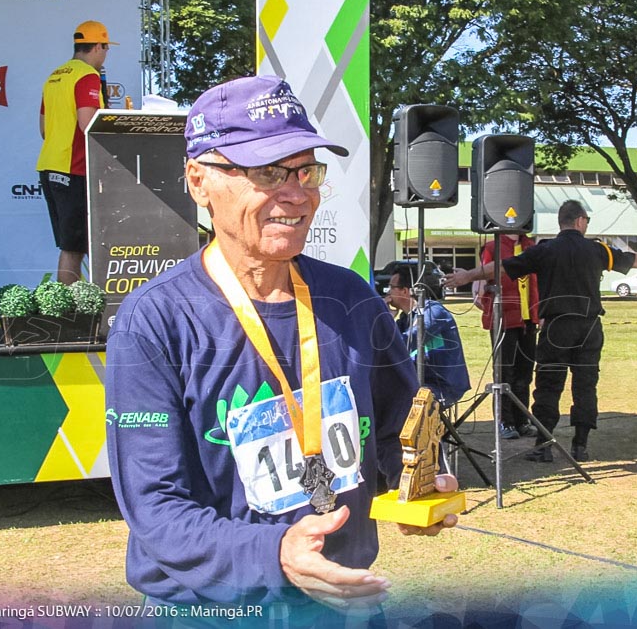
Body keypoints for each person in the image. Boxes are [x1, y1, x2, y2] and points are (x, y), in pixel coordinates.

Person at [105, 75, 457, 615]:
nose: (296, 193)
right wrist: (277, 554)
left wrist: (415, 481)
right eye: (268, 172)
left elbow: (395, 428)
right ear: (199, 181)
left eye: (306, 170)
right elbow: (155, 508)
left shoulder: (351, 299)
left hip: (342, 601)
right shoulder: (156, 320)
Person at [443, 200, 637, 462]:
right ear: (580, 221)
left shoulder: (545, 250)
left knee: (549, 385)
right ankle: (581, 445)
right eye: (587, 221)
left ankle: (543, 446)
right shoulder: (597, 250)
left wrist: (468, 276)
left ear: (562, 222)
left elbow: (502, 266)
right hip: (589, 325)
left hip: (557, 325)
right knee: (586, 385)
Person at [36, 20, 114, 284]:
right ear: (97, 46)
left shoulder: (55, 75)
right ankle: (71, 313)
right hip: (75, 168)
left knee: (71, 245)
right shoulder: (87, 75)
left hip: (49, 166)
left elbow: (43, 129)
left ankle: (73, 308)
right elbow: (87, 123)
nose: (105, 55)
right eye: (106, 48)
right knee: (75, 248)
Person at [474, 233, 540, 440]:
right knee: (504, 374)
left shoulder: (532, 247)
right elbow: (482, 283)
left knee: (525, 373)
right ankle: (505, 422)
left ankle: (522, 421)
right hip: (504, 319)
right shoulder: (493, 247)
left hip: (529, 319)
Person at [385, 266, 471, 408]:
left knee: (397, 399)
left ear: (405, 291)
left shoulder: (434, 312)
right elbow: (387, 349)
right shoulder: (404, 320)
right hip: (418, 383)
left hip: (443, 386)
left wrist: (387, 318)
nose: (387, 293)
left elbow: (406, 343)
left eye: (391, 288)